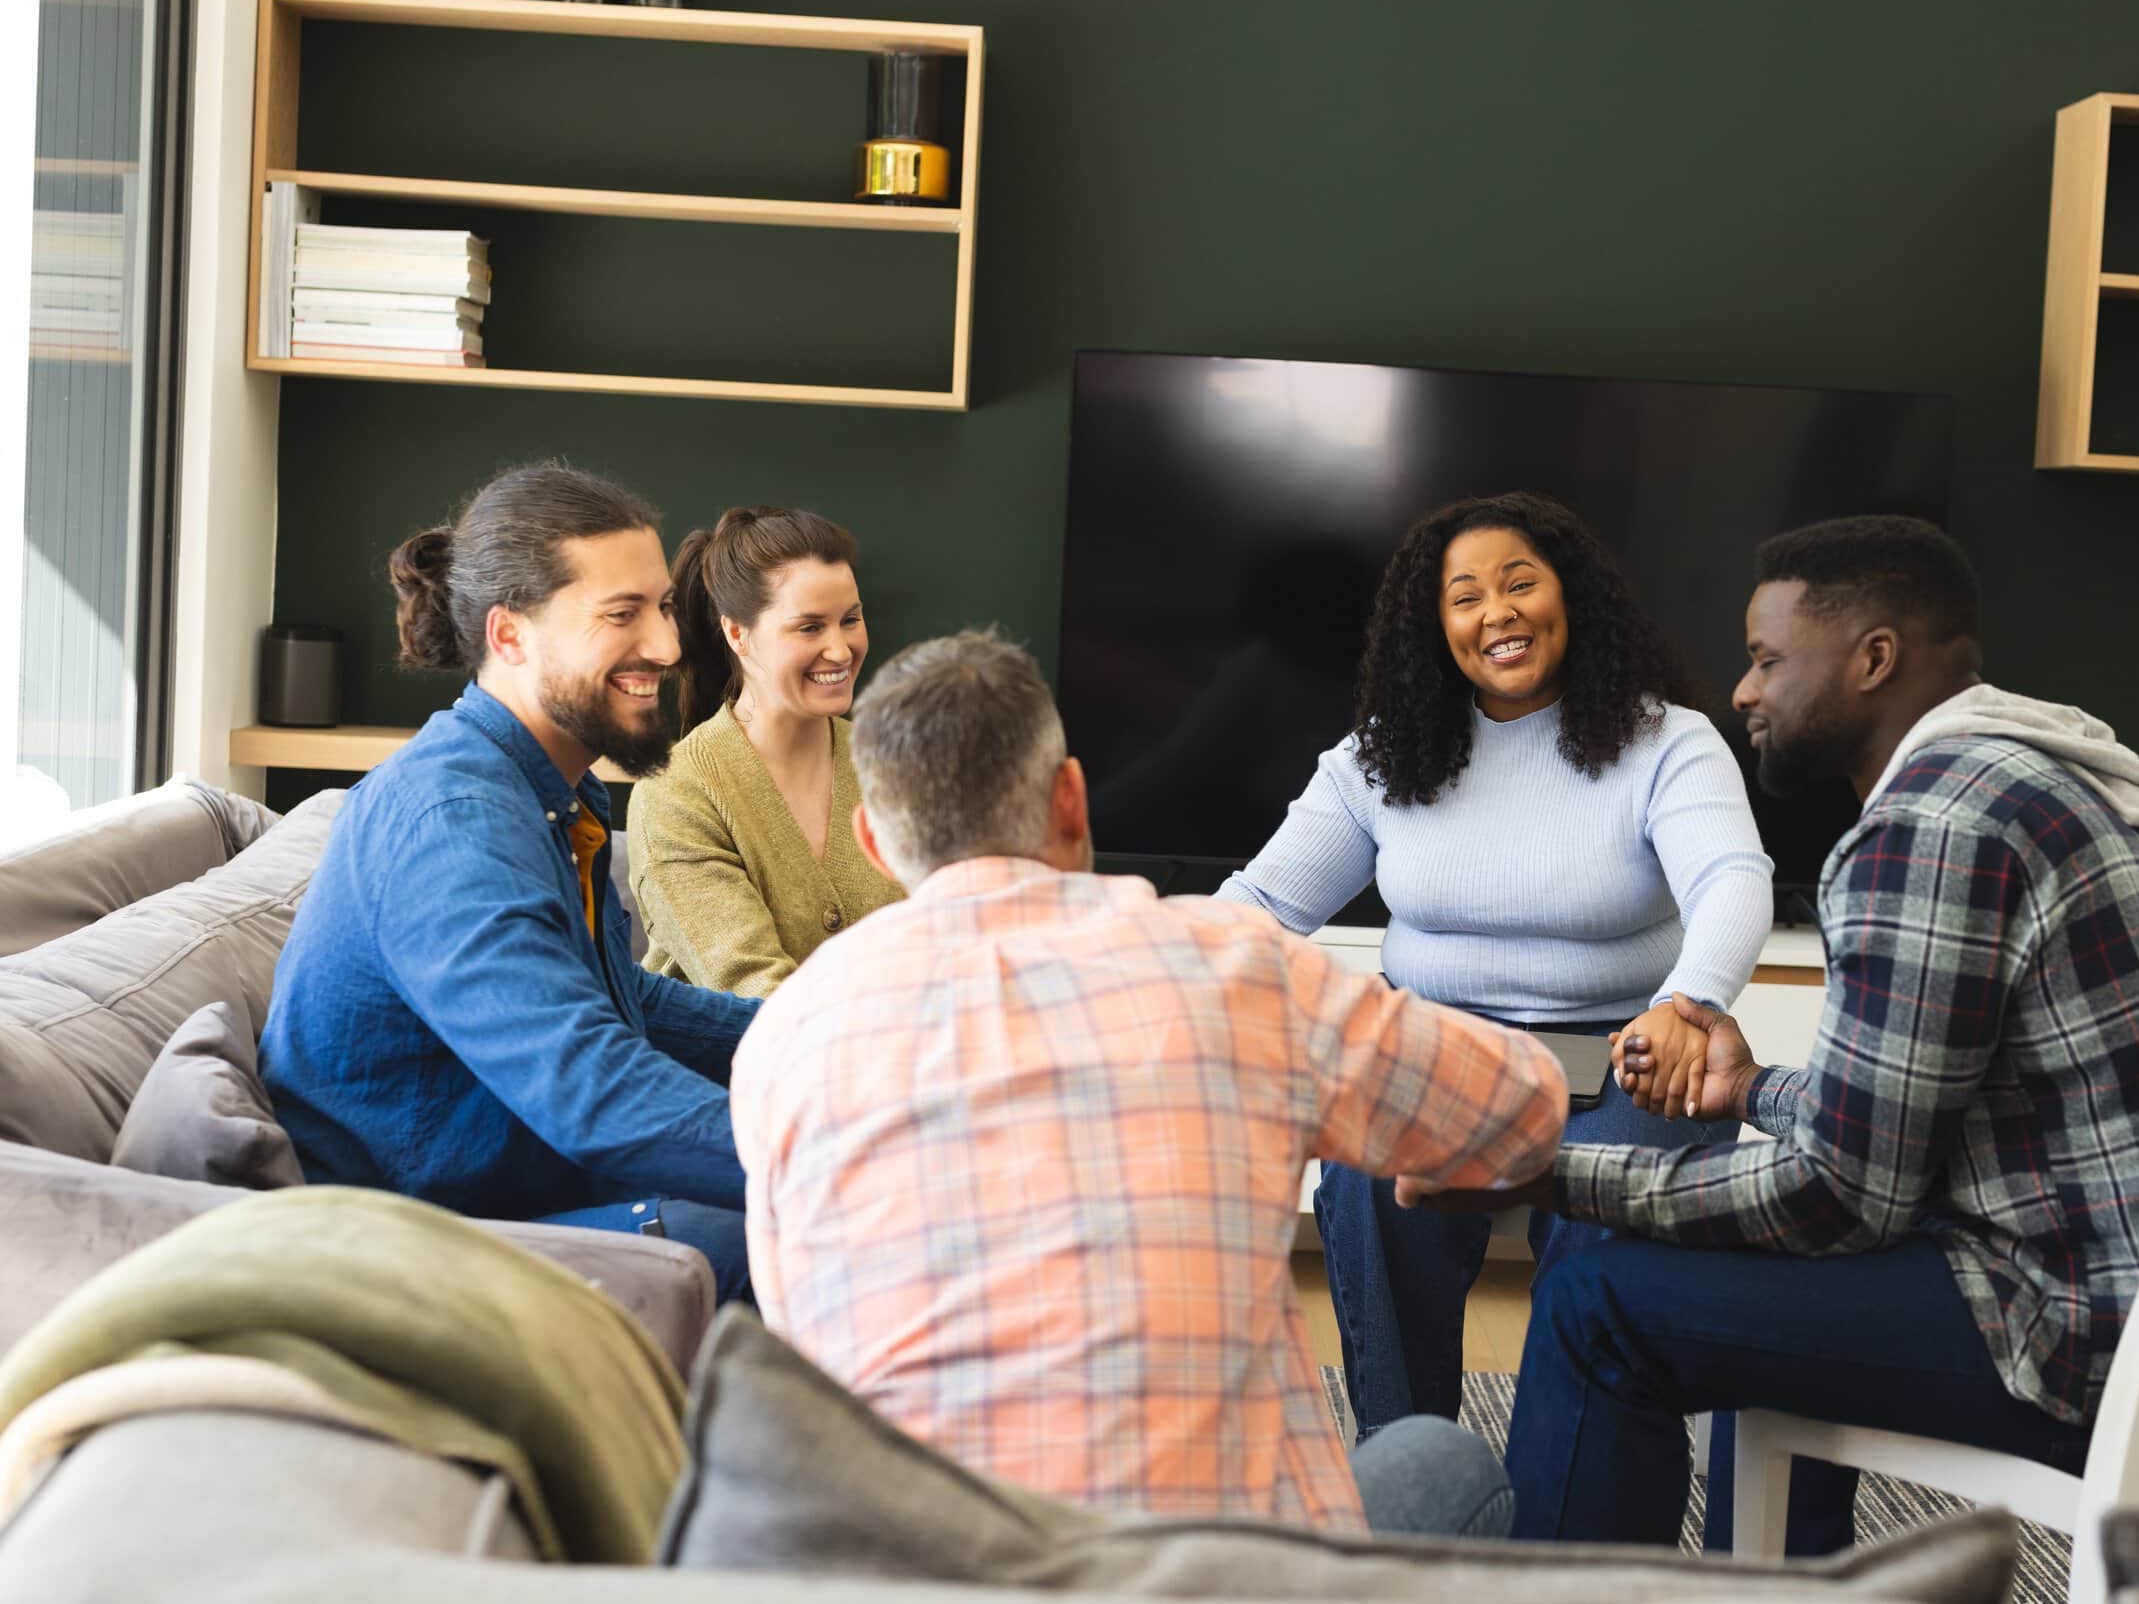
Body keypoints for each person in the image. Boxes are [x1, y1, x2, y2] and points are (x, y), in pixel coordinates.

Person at [1413, 515, 2139, 1553]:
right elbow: (1918, 1116)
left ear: (1872, 660)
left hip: (2087, 1340)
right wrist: (1755, 1090)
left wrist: (1540, 1175)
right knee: (1754, 1287)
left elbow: (1839, 1200)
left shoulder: (1931, 826)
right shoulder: (2036, 776)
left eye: (1768, 658)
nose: (1741, 691)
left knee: (1601, 1298)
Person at [732, 630, 1568, 1537]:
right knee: (1440, 1463)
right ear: (1071, 801)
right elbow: (1527, 1107)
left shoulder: (788, 1030)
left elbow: (799, 1349)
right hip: (1208, 1572)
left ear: (873, 843)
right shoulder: (1236, 965)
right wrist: (1422, 1150)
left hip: (921, 1564)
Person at [1218, 491, 1774, 1440]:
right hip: (1431, 1047)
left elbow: (1732, 877)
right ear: (1435, 628)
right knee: (1363, 1176)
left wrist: (1691, 1001)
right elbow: (1262, 905)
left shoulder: (1668, 741)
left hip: (1627, 1052)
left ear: (1572, 596)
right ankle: (1406, 1466)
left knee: (1613, 1235)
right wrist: (1161, 972)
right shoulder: (1381, 756)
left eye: (1521, 583)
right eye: (1465, 597)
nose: (1497, 614)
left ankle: (1576, 1470)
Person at [261, 463, 760, 1301]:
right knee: (793, 1241)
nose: (669, 648)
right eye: (621, 614)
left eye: (664, 606)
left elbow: (619, 1002)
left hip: (507, 1198)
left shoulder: (558, 796)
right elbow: (591, 1090)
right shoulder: (452, 821)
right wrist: (850, 1164)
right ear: (510, 636)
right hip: (401, 1249)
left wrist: (822, 1038)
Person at [626, 505, 904, 997]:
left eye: (850, 620)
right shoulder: (677, 792)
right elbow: (753, 989)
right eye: (810, 627)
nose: (840, 650)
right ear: (737, 633)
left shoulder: (895, 767)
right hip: (726, 1071)